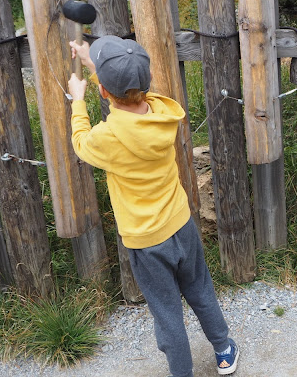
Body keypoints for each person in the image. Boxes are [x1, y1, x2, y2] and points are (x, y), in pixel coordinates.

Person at [68, 35, 239, 377]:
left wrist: (77, 102)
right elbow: (130, 94)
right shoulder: (163, 114)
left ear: (103, 92)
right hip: (181, 224)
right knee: (199, 289)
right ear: (147, 83)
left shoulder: (106, 137)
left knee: (166, 312)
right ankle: (223, 350)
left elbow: (80, 143)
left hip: (145, 241)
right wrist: (94, 65)